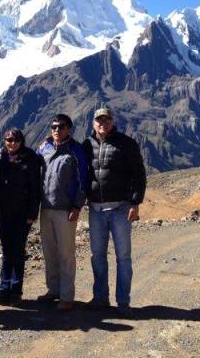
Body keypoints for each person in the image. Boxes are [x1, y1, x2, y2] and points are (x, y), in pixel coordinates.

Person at [82, 108, 146, 316]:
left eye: (106, 120)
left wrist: (135, 203)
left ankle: (123, 302)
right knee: (97, 256)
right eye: (99, 120)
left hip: (120, 208)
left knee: (123, 257)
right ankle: (100, 297)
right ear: (93, 123)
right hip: (95, 209)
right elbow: (81, 173)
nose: (103, 123)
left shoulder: (126, 143)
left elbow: (139, 174)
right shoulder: (87, 144)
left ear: (112, 122)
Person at [37, 113, 87, 311]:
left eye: (61, 126)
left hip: (66, 210)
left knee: (66, 253)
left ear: (69, 129)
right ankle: (53, 290)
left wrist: (77, 206)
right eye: (54, 126)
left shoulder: (76, 150)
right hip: (45, 208)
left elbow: (83, 180)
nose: (57, 130)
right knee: (49, 251)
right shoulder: (44, 148)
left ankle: (67, 296)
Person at [0, 128, 43, 306]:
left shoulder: (30, 158)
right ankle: (3, 290)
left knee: (18, 251)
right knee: (7, 251)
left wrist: (32, 213)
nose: (12, 143)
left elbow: (35, 188)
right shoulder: (0, 158)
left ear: (21, 141)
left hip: (22, 212)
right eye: (9, 140)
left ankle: (15, 290)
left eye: (16, 140)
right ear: (4, 141)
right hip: (4, 213)